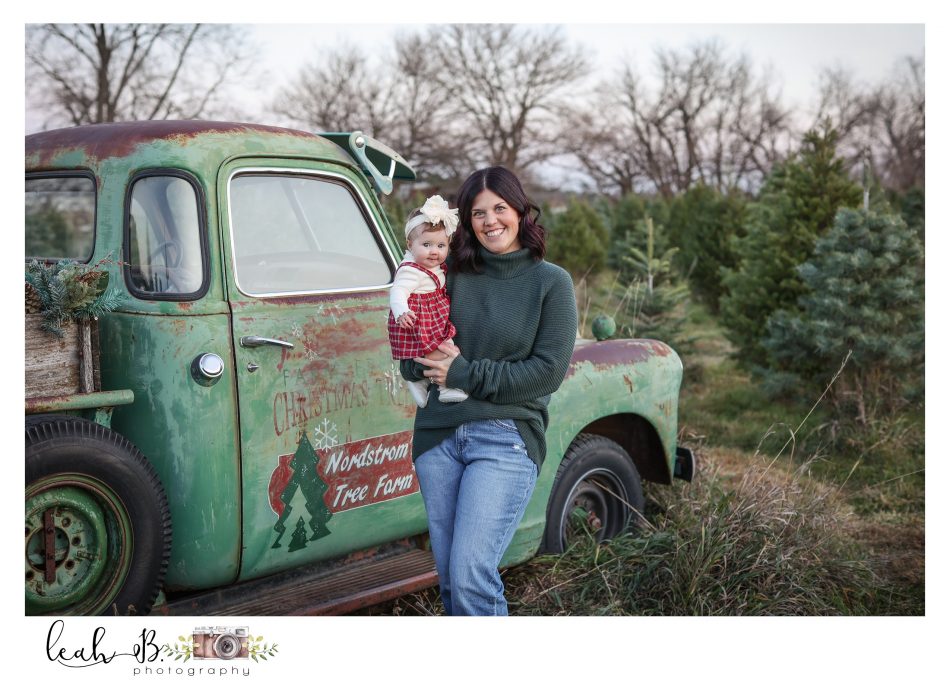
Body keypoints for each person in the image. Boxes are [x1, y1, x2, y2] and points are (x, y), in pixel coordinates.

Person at [401, 167, 577, 615]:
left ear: (519, 211)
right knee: (450, 580)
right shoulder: (446, 274)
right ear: (466, 220)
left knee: (470, 575)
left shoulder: (551, 283)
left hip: (506, 436)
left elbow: (546, 374)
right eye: (478, 213)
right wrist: (416, 357)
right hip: (439, 435)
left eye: (500, 208)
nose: (490, 221)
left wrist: (462, 373)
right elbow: (414, 343)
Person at [388, 195, 468, 407]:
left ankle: (418, 381)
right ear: (410, 244)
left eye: (441, 245)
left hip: (433, 320)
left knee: (446, 348)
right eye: (426, 244)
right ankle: (445, 388)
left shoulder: (433, 266)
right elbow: (398, 291)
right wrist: (401, 311)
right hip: (418, 321)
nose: (434, 251)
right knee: (443, 351)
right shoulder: (411, 270)